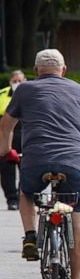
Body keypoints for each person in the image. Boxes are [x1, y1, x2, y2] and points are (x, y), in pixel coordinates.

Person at [0, 49, 80, 279]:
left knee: (27, 192)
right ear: (64, 69)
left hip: (36, 157)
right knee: (78, 221)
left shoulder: (24, 90)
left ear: (36, 70)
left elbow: (6, 125)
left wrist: (6, 152)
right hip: (75, 160)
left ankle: (30, 236)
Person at [0, 70, 26, 210]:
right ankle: (12, 200)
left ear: (25, 80)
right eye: (15, 81)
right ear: (10, 81)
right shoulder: (2, 94)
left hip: (26, 135)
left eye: (20, 81)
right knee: (6, 171)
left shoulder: (31, 93)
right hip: (6, 135)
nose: (17, 84)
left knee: (27, 170)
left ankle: (24, 198)